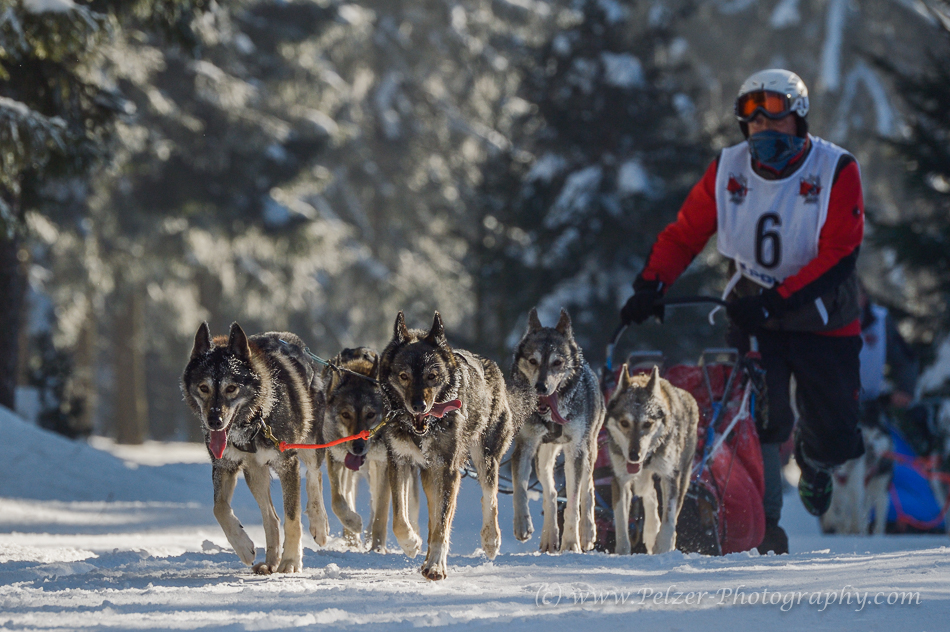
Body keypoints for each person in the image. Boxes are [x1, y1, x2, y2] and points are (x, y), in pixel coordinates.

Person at [620, 69, 866, 555]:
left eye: (775, 119)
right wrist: (652, 284)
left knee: (837, 435)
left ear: (798, 120)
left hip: (823, 319)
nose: (763, 130)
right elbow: (686, 232)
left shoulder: (836, 169)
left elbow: (841, 252)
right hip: (754, 318)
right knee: (762, 418)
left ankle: (816, 463)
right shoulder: (728, 169)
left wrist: (778, 298)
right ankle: (767, 526)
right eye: (753, 122)